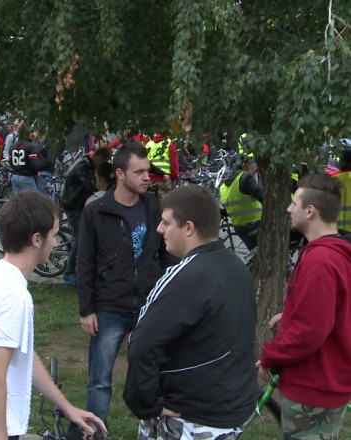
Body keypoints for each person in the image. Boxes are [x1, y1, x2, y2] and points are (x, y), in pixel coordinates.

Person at [0, 190, 107, 440]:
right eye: (53, 236)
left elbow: (23, 355)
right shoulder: (13, 296)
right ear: (36, 239)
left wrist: (66, 407)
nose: (56, 243)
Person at [123, 185, 258, 439]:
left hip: (190, 416)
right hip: (231, 409)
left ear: (188, 227)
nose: (159, 229)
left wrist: (144, 403)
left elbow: (141, 344)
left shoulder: (185, 276)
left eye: (165, 223)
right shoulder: (237, 268)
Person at [76, 140, 174, 437]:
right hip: (110, 308)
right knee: (100, 380)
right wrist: (87, 309)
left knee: (153, 378)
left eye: (148, 171)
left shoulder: (155, 207)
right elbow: (85, 262)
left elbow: (167, 255)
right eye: (140, 172)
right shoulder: (96, 211)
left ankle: (152, 431)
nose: (147, 177)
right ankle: (96, 432)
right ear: (120, 174)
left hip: (148, 306)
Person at [258, 173, 351, 439]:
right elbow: (331, 308)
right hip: (327, 384)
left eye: (294, 203)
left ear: (310, 211)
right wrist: (288, 314)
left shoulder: (320, 261)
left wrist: (269, 356)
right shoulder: (335, 250)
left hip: (314, 388)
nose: (288, 208)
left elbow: (310, 332)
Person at [59, 146, 112, 286]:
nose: (102, 166)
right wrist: (104, 195)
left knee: (82, 235)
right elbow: (90, 186)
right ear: (99, 158)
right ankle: (69, 274)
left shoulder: (87, 163)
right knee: (81, 238)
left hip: (77, 203)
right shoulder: (83, 166)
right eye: (103, 162)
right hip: (72, 205)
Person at [219, 155, 262, 251]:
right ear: (242, 165)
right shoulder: (245, 177)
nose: (251, 165)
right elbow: (262, 196)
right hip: (255, 223)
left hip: (239, 227)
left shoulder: (223, 186)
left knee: (255, 254)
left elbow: (227, 210)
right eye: (249, 163)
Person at [9, 125, 43, 195]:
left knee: (18, 201)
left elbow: (10, 162)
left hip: (15, 176)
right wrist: (36, 173)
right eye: (31, 132)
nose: (33, 134)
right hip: (26, 177)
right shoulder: (30, 146)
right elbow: (33, 164)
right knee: (33, 202)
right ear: (26, 134)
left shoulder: (12, 146)